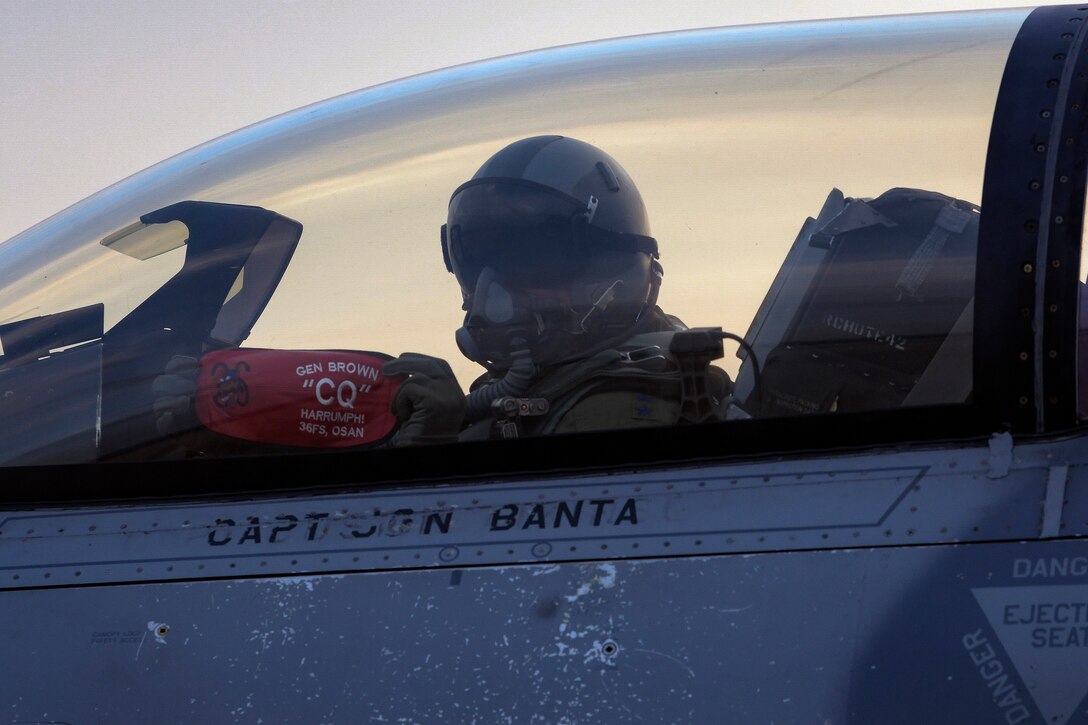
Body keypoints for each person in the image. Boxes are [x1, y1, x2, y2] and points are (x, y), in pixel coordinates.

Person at [383, 135, 742, 446]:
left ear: (610, 269)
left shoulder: (620, 409)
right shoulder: (542, 387)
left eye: (532, 256)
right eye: (479, 257)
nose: (492, 285)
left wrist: (435, 449)